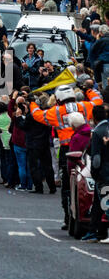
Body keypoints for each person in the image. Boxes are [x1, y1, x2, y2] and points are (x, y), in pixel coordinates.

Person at [29, 81, 103, 229]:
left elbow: (37, 115)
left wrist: (32, 102)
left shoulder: (55, 111)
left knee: (67, 187)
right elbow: (98, 101)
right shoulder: (85, 106)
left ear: (57, 99)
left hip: (67, 151)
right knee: (90, 183)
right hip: (86, 148)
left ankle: (68, 217)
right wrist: (87, 89)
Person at [81, 105, 109, 243]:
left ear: (93, 116)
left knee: (104, 202)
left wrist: (94, 172)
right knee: (99, 203)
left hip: (103, 173)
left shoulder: (97, 132)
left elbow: (96, 157)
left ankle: (98, 232)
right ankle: (95, 230)